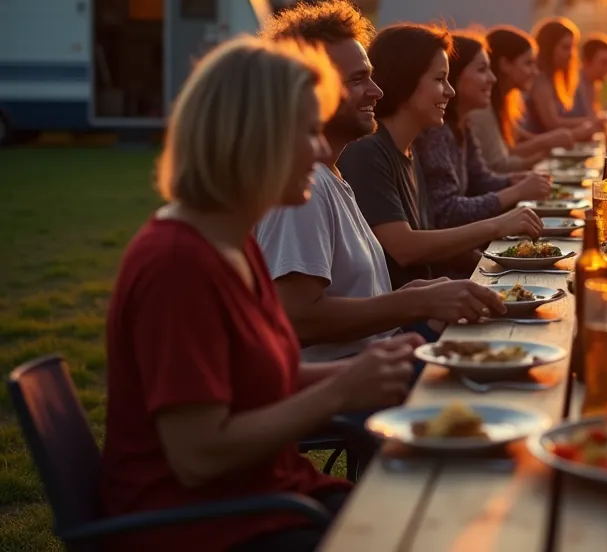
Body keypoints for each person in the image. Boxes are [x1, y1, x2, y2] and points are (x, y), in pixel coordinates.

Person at [100, 37, 423, 552]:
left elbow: (254, 378)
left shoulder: (230, 241)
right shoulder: (178, 266)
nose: (322, 150)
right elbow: (198, 455)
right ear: (253, 138)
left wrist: (365, 371)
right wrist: (341, 392)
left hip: (271, 500)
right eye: (309, 131)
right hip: (211, 528)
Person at [256, 0, 503, 360]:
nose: (377, 91)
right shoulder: (301, 186)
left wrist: (417, 296)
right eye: (358, 80)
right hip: (348, 397)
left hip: (381, 363)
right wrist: (412, 303)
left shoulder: (332, 174)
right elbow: (298, 319)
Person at [337, 23, 543, 291]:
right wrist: (496, 226)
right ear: (405, 80)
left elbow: (431, 235)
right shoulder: (368, 151)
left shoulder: (408, 148)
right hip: (402, 323)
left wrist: (497, 267)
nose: (450, 91)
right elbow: (405, 248)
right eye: (439, 79)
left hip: (429, 303)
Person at [412, 32, 554, 276]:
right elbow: (446, 213)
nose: (492, 78)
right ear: (455, 76)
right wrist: (516, 191)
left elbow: (480, 180)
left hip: (465, 254)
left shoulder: (461, 125)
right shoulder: (436, 132)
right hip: (446, 271)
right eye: (481, 70)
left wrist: (513, 181)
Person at [467, 26, 577, 173]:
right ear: (505, 64)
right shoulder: (482, 109)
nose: (535, 72)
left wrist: (549, 143)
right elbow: (500, 163)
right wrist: (546, 146)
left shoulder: (503, 102)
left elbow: (516, 141)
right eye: (528, 63)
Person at [520, 17, 601, 138]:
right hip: (539, 151)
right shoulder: (540, 79)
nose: (571, 54)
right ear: (549, 48)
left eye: (573, 47)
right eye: (565, 47)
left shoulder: (556, 78)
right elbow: (552, 123)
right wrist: (591, 122)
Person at [572, 33, 607, 120]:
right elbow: (589, 119)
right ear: (587, 62)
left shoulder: (592, 84)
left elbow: (593, 115)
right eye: (604, 63)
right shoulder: (575, 85)